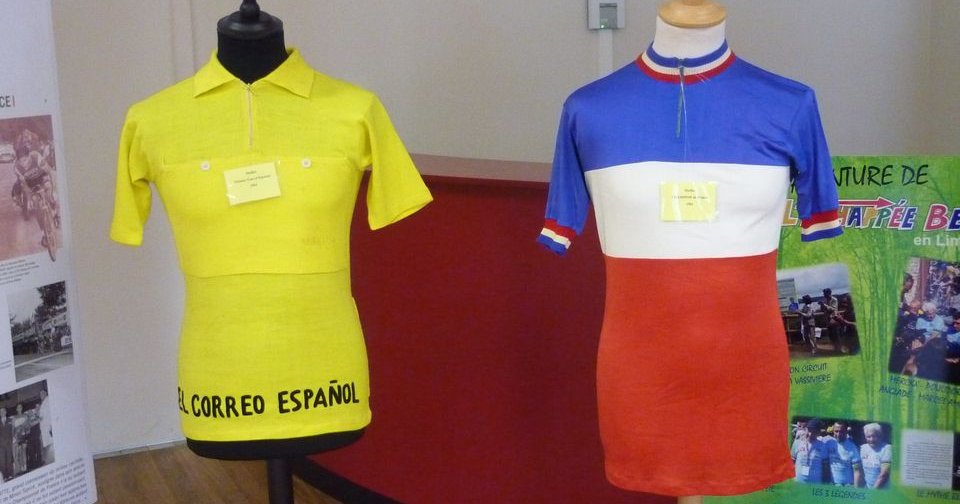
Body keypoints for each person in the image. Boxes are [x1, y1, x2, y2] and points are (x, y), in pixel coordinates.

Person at [824, 421, 862, 487]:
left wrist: (856, 488)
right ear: (833, 431)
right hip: (832, 484)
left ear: (846, 432)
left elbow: (857, 470)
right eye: (836, 431)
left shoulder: (852, 447)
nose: (839, 434)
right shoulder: (829, 443)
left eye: (842, 431)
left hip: (847, 485)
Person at [791, 419, 828, 484]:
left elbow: (825, 467)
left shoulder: (823, 446)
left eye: (814, 432)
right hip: (798, 482)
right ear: (805, 429)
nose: (810, 434)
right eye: (809, 430)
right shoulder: (797, 443)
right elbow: (791, 462)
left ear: (818, 433)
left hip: (814, 483)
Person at [860, 423, 891, 489]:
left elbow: (884, 475)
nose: (871, 439)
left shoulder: (887, 448)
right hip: (867, 487)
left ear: (880, 436)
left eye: (874, 436)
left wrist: (873, 492)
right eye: (868, 437)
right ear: (865, 437)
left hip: (882, 490)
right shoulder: (863, 448)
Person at [0, 408, 12, 481]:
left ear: (6, 412)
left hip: (8, 443)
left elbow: (12, 431)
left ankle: (10, 475)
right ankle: (4, 476)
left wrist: (11, 440)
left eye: (3, 411)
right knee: (2, 461)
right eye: (1, 411)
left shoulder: (10, 420)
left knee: (9, 460)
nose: (2, 412)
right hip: (1, 445)